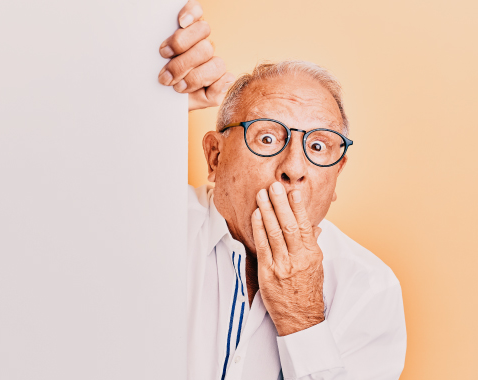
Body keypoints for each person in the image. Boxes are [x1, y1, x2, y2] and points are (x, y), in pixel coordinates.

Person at [159, 1, 407, 379]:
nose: (294, 168)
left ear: (337, 175)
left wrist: (301, 317)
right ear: (214, 156)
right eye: (268, 136)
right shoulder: (153, 227)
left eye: (319, 147)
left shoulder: (370, 288)